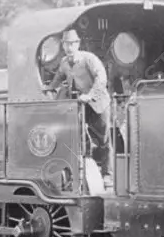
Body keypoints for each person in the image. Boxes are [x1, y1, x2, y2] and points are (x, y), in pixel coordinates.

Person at [45, 29, 113, 186]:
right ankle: (83, 173)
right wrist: (48, 88)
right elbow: (58, 79)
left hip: (98, 103)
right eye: (66, 44)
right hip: (80, 106)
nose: (69, 47)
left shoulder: (89, 59)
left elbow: (101, 77)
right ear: (63, 45)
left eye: (72, 44)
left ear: (78, 44)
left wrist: (90, 95)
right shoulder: (64, 63)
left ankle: (107, 175)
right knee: (79, 137)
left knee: (104, 139)